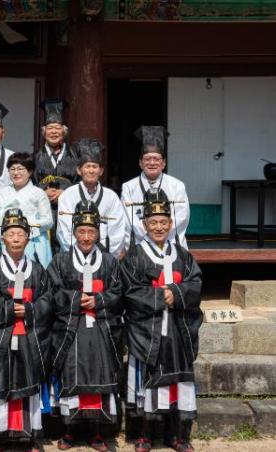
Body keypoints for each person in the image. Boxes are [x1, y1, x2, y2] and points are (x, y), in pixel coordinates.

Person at [121, 190, 202, 452]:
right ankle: (145, 435)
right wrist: (159, 296)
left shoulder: (183, 255)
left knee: (177, 381)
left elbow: (195, 284)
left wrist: (176, 293)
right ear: (144, 224)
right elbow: (129, 291)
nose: (159, 227)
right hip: (148, 330)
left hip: (177, 329)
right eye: (153, 222)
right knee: (148, 382)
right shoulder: (134, 256)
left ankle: (177, 435)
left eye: (163, 222)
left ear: (171, 223)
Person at [47, 200, 123, 452]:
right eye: (81, 231)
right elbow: (52, 292)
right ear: (74, 232)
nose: (86, 237)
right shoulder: (60, 260)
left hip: (100, 327)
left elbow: (118, 292)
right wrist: (75, 299)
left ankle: (96, 432)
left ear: (98, 233)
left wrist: (99, 300)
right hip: (71, 328)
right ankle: (70, 431)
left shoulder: (109, 261)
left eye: (91, 231)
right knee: (72, 376)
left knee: (99, 374)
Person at [0, 208, 52, 452]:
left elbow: (48, 300)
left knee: (28, 381)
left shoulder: (37, 269)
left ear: (28, 238)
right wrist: (9, 309)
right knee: (1, 382)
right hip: (0, 336)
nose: (16, 239)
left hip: (28, 336)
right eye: (11, 234)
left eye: (20, 234)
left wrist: (28, 310)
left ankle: (27, 436)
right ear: (2, 238)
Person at [122, 126, 190, 249]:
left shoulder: (177, 186)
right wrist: (151, 237)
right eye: (147, 159)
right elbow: (129, 221)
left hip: (171, 245)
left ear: (164, 163)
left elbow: (181, 219)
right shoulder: (128, 187)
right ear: (140, 163)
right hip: (139, 247)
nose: (152, 163)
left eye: (156, 159)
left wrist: (160, 234)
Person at [57, 139, 127, 258]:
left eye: (94, 167)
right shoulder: (67, 195)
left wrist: (104, 257)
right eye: (87, 166)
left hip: (105, 257)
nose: (91, 171)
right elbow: (64, 232)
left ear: (101, 171)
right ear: (79, 170)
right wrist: (80, 255)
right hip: (73, 257)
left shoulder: (111, 197)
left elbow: (117, 232)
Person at [0, 152, 53, 267]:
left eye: (20, 169)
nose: (16, 173)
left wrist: (24, 223)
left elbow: (48, 222)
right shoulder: (1, 193)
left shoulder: (38, 193)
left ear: (30, 172)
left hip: (31, 241)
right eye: (12, 169)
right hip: (4, 241)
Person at [33, 100, 80, 253]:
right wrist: (42, 193)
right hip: (42, 211)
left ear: (64, 131)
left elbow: (81, 183)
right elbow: (29, 184)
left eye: (57, 128)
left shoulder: (75, 157)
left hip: (69, 211)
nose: (54, 132)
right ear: (44, 132)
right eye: (50, 128)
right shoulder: (35, 157)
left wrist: (65, 193)